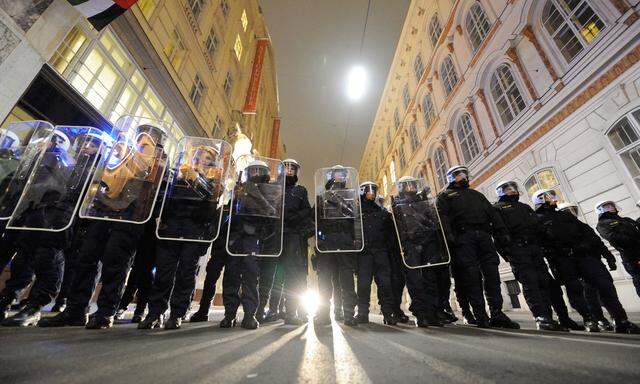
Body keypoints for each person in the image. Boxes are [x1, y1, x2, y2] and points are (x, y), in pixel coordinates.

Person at [41, 123, 169, 329]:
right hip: (104, 210)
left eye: (148, 139)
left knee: (115, 263)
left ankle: (105, 312)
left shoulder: (159, 160)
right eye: (140, 137)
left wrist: (130, 154)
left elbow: (149, 178)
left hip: (130, 215)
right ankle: (75, 309)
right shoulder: (125, 152)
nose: (142, 141)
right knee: (86, 258)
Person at [2, 128, 103, 326]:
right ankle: (7, 299)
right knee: (24, 256)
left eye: (91, 145)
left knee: (48, 257)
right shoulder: (66, 164)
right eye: (83, 143)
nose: (85, 148)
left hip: (64, 218)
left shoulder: (97, 170)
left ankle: (35, 307)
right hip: (40, 213)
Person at [138, 143, 224, 330]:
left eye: (207, 158)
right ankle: (155, 312)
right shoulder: (178, 174)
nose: (202, 159)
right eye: (199, 155)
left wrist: (196, 179)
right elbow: (165, 198)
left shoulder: (215, 182)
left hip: (193, 230)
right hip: (172, 228)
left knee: (186, 273)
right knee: (163, 272)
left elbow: (211, 200)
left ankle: (177, 313)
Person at [533, 189, 640, 334]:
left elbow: (587, 233)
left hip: (584, 256)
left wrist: (606, 254)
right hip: (562, 259)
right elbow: (539, 241)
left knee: (604, 285)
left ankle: (621, 320)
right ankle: (589, 319)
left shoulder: (564, 215)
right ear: (540, 199)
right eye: (548, 196)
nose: (553, 198)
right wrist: (552, 253)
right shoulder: (536, 219)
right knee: (576, 289)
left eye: (553, 195)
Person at [436, 165, 518, 329]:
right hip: (463, 240)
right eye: (459, 174)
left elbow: (492, 214)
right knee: (471, 278)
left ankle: (497, 312)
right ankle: (480, 314)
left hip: (484, 238)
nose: (463, 177)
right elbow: (442, 219)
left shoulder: (477, 195)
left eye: (465, 174)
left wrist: (501, 232)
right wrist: (450, 238)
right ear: (451, 177)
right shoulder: (445, 196)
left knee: (492, 274)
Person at [492, 181, 565, 331]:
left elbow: (537, 227)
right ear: (501, 192)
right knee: (530, 283)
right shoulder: (497, 209)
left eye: (513, 188)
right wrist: (508, 253)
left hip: (534, 249)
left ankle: (549, 317)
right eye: (508, 189)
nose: (512, 191)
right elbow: (498, 234)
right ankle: (540, 316)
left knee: (543, 281)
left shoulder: (524, 207)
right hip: (518, 250)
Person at [223, 160, 282, 330]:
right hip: (236, 235)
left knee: (250, 275)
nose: (255, 173)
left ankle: (249, 315)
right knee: (231, 274)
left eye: (259, 170)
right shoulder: (240, 187)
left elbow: (271, 213)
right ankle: (229, 314)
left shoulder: (270, 191)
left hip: (254, 236)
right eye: (253, 170)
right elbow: (230, 209)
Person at [391, 176, 447, 327]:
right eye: (406, 186)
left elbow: (433, 221)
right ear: (401, 188)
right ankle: (421, 314)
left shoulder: (424, 203)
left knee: (430, 278)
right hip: (410, 244)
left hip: (428, 242)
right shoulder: (397, 204)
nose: (410, 188)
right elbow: (397, 229)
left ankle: (432, 313)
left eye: (412, 185)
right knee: (415, 280)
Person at [558, 202, 614, 331]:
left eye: (573, 210)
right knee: (589, 294)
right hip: (579, 265)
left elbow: (597, 242)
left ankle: (611, 316)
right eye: (568, 211)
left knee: (604, 290)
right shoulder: (562, 228)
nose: (572, 213)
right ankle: (598, 318)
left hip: (593, 261)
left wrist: (608, 256)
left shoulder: (583, 225)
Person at [315, 165, 359, 326]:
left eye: (342, 174)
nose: (339, 177)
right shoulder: (322, 196)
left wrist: (356, 240)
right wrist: (319, 240)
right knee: (324, 280)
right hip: (326, 243)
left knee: (346, 279)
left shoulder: (350, 196)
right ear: (330, 176)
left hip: (345, 242)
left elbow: (356, 220)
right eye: (336, 174)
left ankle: (348, 314)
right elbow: (316, 219)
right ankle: (323, 314)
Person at [276, 159, 312, 325]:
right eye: (286, 168)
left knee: (293, 274)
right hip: (274, 235)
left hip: (292, 236)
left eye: (293, 168)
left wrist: (296, 219)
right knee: (272, 274)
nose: (289, 170)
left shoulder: (301, 191)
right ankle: (269, 310)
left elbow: (306, 211)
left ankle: (291, 312)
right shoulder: (273, 187)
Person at [356, 181, 396, 325]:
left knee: (385, 283)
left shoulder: (381, 211)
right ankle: (362, 313)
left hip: (380, 252)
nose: (371, 193)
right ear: (362, 191)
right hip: (364, 253)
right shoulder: (356, 211)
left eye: (374, 190)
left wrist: (388, 248)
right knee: (363, 284)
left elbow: (390, 232)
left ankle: (388, 313)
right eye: (368, 190)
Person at [596, 200, 640, 300]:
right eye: (607, 206)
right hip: (631, 257)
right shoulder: (603, 224)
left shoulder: (626, 220)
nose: (611, 207)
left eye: (611, 205)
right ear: (600, 210)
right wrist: (634, 237)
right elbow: (614, 238)